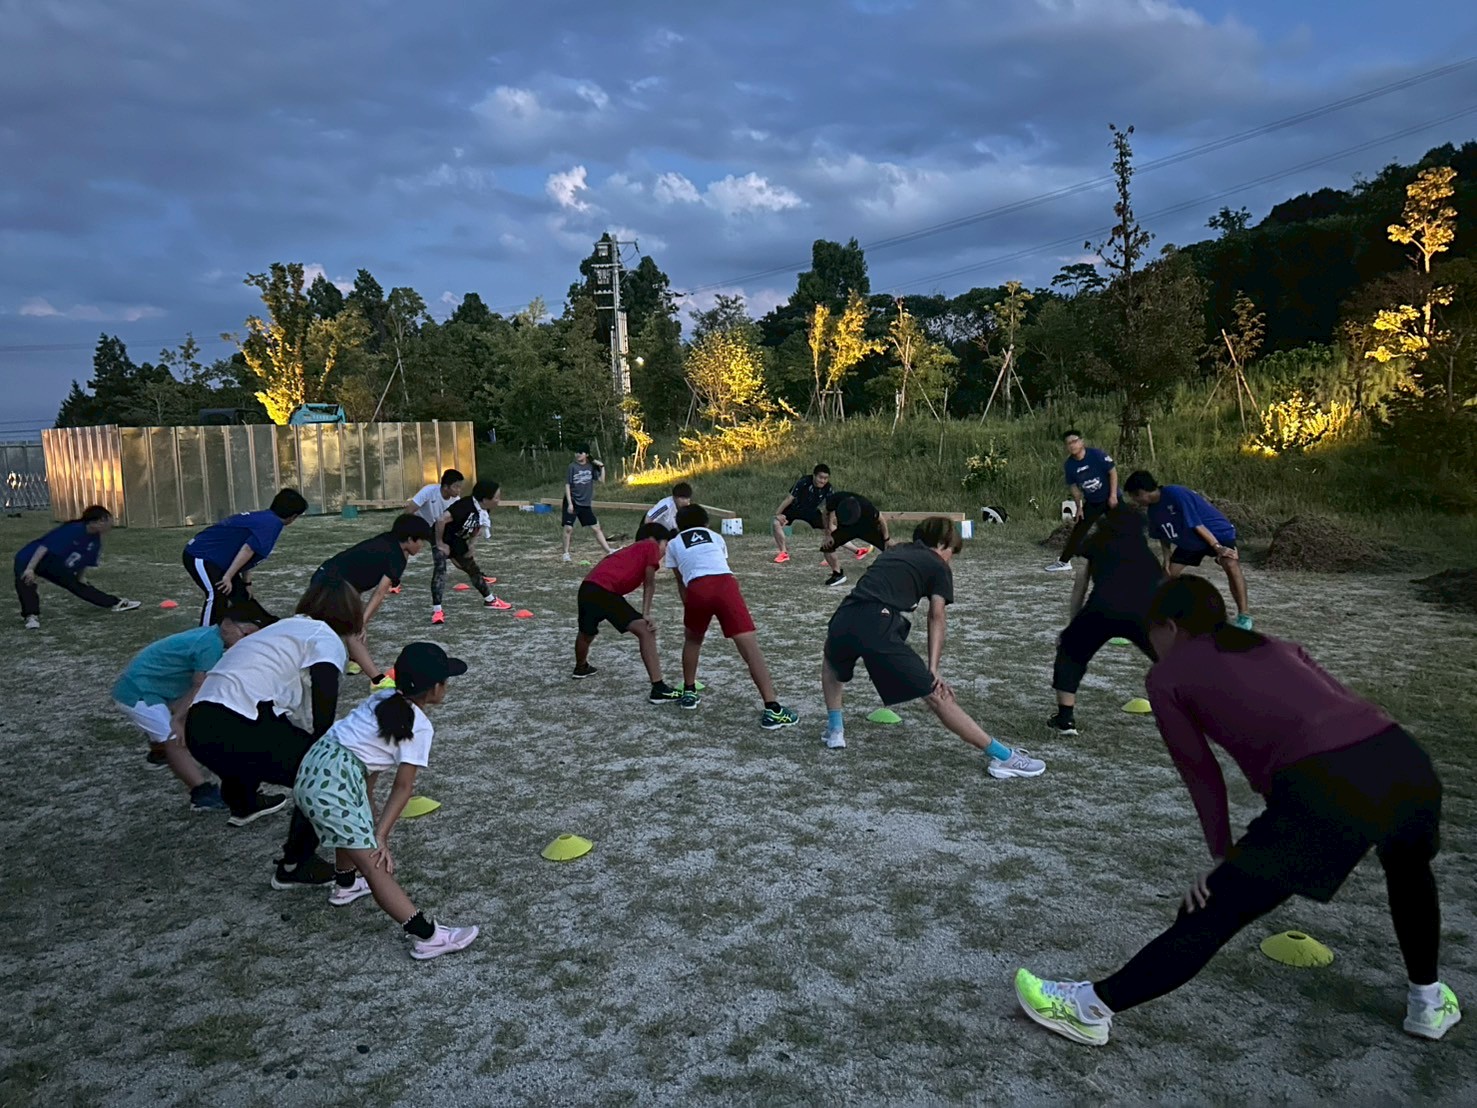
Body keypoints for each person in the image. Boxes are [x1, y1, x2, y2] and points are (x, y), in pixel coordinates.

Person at [1015, 576, 1460, 1047]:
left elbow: (1200, 771)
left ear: (1169, 627)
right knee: (1410, 874)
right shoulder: (1279, 646)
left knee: (1216, 908)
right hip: (1402, 758)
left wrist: (1224, 853)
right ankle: (1428, 1003)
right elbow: (1341, 707)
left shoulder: (1168, 676)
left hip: (1330, 786)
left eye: (1153, 632)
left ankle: (1089, 1009)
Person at [293, 642, 479, 960]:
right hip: (333, 784)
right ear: (435, 688)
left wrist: (368, 816)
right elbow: (403, 786)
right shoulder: (419, 726)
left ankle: (346, 884)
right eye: (445, 681)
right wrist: (380, 835)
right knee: (375, 863)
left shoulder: (381, 699)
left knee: (353, 826)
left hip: (315, 768)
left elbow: (369, 765)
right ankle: (426, 936)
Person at [820, 517, 1046, 779]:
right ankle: (1004, 757)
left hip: (845, 615)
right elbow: (936, 616)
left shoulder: (896, 551)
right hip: (878, 622)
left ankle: (835, 730)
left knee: (831, 663)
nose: (950, 559)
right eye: (952, 552)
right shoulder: (938, 565)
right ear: (941, 543)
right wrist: (933, 669)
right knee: (935, 694)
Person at [184, 576, 362, 889]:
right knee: (321, 772)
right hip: (237, 724)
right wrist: (323, 742)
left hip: (199, 725)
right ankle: (296, 863)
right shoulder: (325, 636)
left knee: (268, 738)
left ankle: (243, 804)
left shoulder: (280, 629)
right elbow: (324, 680)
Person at [113, 602, 274, 811]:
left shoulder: (212, 638)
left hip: (155, 688)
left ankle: (159, 751)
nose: (245, 642)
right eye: (245, 635)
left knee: (181, 725)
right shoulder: (211, 645)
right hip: (137, 693)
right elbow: (200, 685)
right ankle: (202, 794)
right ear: (227, 625)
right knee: (174, 737)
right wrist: (178, 720)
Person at [665, 504, 799, 729]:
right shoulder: (716, 537)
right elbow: (718, 563)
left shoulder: (673, 544)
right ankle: (772, 707)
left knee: (692, 640)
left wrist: (689, 606)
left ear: (679, 525)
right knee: (750, 649)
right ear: (706, 523)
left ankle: (689, 691)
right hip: (725, 585)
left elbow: (681, 580)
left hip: (696, 588)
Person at [1047, 505, 1163, 736]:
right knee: (1168, 660)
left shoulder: (1097, 542)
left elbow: (1081, 583)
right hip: (1144, 612)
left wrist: (1073, 625)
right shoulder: (1147, 554)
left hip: (1103, 607)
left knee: (1071, 653)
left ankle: (1065, 718)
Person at [1123, 471, 1252, 629]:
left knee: (1231, 564)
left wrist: (1218, 548)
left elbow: (1197, 524)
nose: (1135, 501)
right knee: (1166, 577)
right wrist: (1167, 558)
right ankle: (1155, 618)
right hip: (1190, 541)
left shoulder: (1175, 493)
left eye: (1134, 497)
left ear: (1142, 492)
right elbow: (1162, 535)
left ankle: (1244, 616)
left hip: (1215, 533)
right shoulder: (1152, 511)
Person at [313, 513, 431, 681]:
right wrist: (361, 621)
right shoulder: (395, 555)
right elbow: (379, 593)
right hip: (330, 583)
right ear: (411, 539)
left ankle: (355, 660)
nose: (422, 547)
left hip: (336, 580)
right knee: (352, 628)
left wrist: (362, 619)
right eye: (421, 542)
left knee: (351, 624)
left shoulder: (391, 542)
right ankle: (378, 680)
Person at [573, 522, 681, 703]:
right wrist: (646, 614)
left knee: (586, 632)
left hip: (587, 588)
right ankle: (659, 688)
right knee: (645, 630)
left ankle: (581, 667)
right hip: (604, 591)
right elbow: (650, 582)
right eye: (666, 545)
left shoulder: (631, 551)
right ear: (655, 540)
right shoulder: (650, 545)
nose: (664, 551)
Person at [183, 488, 308, 626]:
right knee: (218, 594)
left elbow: (248, 553)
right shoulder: (270, 524)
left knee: (243, 597)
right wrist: (228, 577)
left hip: (219, 560)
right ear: (293, 516)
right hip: (201, 555)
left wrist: (246, 583)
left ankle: (268, 626)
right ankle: (204, 637)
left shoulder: (267, 519)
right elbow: (247, 549)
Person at [15, 505, 140, 628]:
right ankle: (31, 616)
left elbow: (85, 560)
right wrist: (30, 569)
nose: (111, 525)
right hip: (30, 558)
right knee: (26, 582)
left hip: (52, 562)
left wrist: (80, 578)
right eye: (109, 521)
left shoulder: (94, 540)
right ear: (100, 521)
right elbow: (44, 547)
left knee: (76, 584)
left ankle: (116, 603)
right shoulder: (73, 529)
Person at [431, 479, 512, 625]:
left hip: (457, 540)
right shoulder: (465, 506)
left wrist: (472, 545)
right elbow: (440, 520)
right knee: (440, 569)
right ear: (486, 499)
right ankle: (437, 611)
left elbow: (477, 526)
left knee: (473, 569)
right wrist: (439, 544)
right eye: (497, 497)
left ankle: (490, 601)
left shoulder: (484, 508)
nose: (499, 500)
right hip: (442, 536)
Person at [1045, 430, 1118, 573]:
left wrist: (1113, 495)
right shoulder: (1070, 465)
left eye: (1074, 441)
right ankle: (1064, 561)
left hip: (1110, 497)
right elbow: (1074, 488)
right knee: (1079, 530)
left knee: (1123, 527)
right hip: (1093, 501)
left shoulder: (1096, 455)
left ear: (1081, 442)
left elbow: (1113, 472)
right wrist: (1079, 507)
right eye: (1068, 444)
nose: (1072, 446)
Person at [405, 468, 465, 609]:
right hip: (420, 524)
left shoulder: (456, 500)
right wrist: (407, 529)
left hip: (437, 529)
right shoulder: (429, 491)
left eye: (460, 487)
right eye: (456, 487)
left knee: (453, 557)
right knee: (404, 549)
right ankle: (394, 581)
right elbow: (409, 510)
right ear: (445, 487)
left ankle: (477, 574)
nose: (459, 490)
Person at [819, 493, 889, 587]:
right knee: (827, 547)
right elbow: (825, 513)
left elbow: (882, 520)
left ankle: (899, 567)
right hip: (845, 528)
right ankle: (838, 574)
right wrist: (828, 534)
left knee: (889, 548)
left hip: (866, 527)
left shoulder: (866, 506)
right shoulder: (835, 498)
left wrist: (886, 539)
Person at [561, 445, 616, 562]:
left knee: (596, 527)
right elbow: (567, 485)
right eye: (576, 452)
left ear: (586, 454)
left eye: (580, 453)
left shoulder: (591, 467)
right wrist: (570, 503)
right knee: (568, 528)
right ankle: (565, 553)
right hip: (573, 500)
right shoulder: (572, 467)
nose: (578, 455)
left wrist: (602, 467)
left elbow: (602, 480)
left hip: (585, 503)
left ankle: (608, 550)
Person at [771, 463, 832, 564]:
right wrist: (778, 514)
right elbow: (789, 498)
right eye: (820, 477)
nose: (823, 481)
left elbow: (830, 507)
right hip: (795, 508)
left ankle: (828, 555)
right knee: (776, 523)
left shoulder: (828, 488)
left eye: (826, 478)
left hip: (812, 511)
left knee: (829, 529)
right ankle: (783, 552)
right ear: (814, 476)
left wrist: (830, 520)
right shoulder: (804, 482)